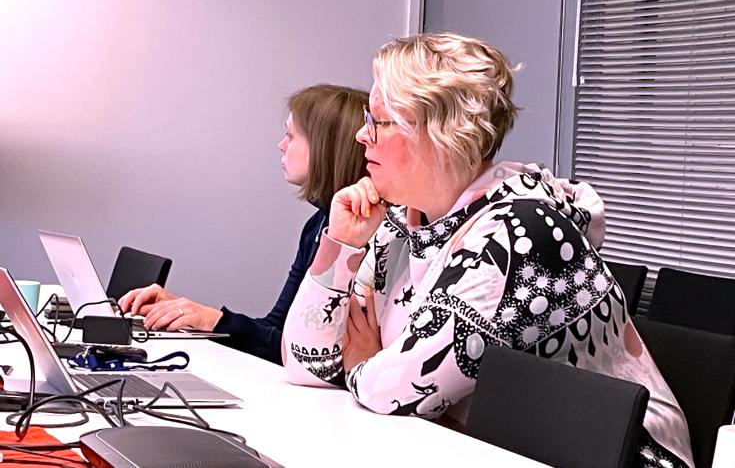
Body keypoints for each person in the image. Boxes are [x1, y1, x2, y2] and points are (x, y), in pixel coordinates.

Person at [282, 33, 694, 467]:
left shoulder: (523, 233)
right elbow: (303, 364)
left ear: (442, 133)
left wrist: (363, 363)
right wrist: (342, 242)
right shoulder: (404, 222)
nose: (362, 136)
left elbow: (395, 391)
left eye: (380, 121)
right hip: (474, 448)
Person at [119, 84, 368, 365]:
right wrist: (188, 314)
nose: (281, 145)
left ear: (325, 149)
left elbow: (304, 353)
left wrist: (214, 320)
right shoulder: (317, 225)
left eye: (290, 136)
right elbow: (279, 329)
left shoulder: (366, 238)